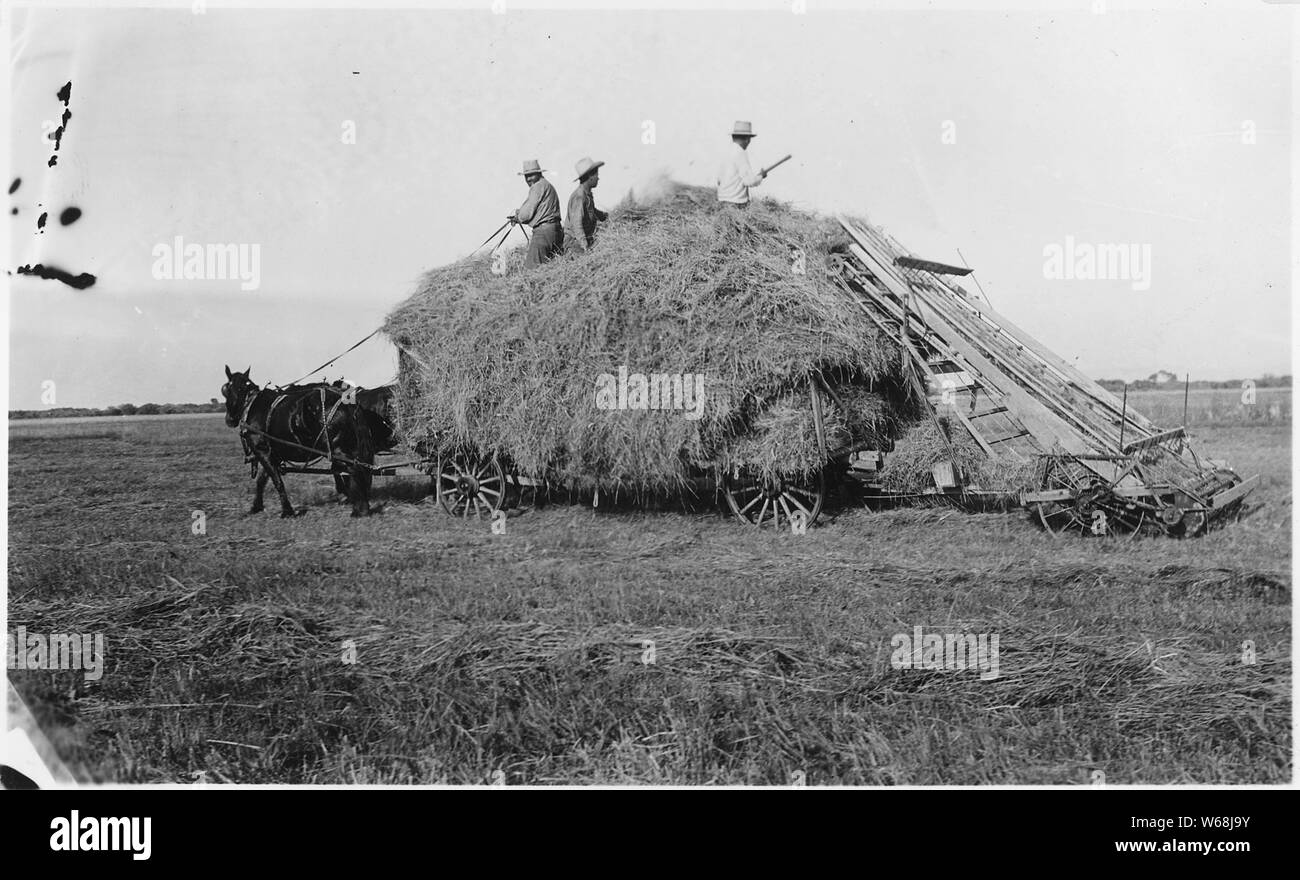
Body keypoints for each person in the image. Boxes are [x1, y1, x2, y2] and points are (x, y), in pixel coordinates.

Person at [510, 159, 564, 268]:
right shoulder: (547, 185)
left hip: (543, 233)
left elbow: (526, 214)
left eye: (531, 175)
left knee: (531, 269)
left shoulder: (537, 187)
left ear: (539, 174)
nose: (529, 179)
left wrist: (517, 217)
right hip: (555, 231)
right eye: (526, 176)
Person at [716, 121, 765, 208]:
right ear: (747, 139)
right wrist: (761, 176)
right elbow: (749, 181)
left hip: (722, 202)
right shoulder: (740, 153)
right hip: (736, 203)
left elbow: (719, 180)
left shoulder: (727, 152)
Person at [565, 156, 608, 252]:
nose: (598, 178)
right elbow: (577, 225)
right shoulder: (579, 197)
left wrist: (605, 216)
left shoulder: (586, 194)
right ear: (590, 176)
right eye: (596, 174)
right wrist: (585, 246)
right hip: (575, 243)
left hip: (584, 238)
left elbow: (592, 210)